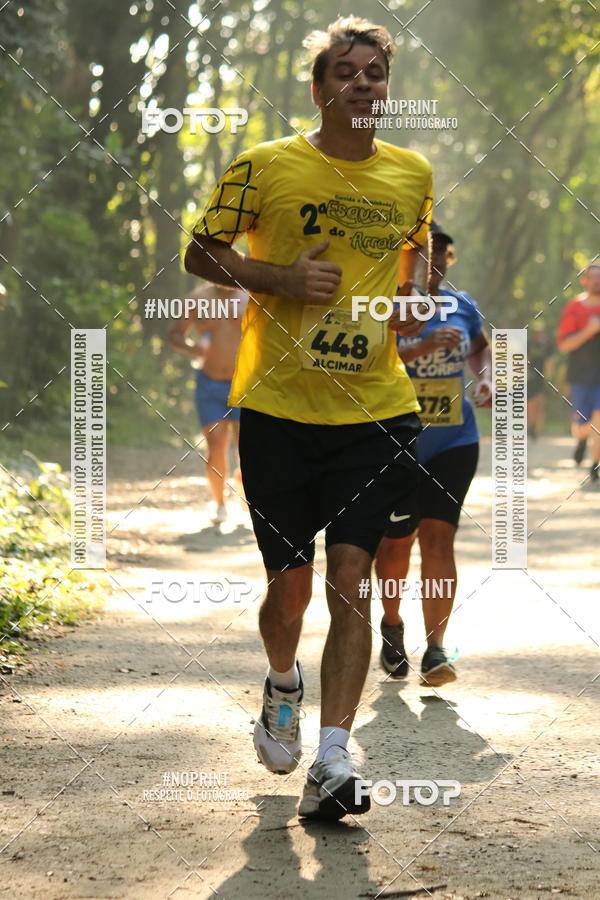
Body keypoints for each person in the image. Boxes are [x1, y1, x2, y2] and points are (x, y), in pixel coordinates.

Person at [184, 15, 432, 820]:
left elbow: (416, 245)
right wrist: (280, 278)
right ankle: (282, 683)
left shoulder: (412, 173)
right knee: (288, 590)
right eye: (346, 72)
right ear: (319, 87)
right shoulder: (264, 166)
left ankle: (331, 758)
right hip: (280, 408)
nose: (364, 84)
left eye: (376, 73)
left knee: (349, 578)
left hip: (377, 410)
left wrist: (411, 293)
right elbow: (200, 251)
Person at [375, 225, 492, 687]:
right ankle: (392, 625)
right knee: (395, 544)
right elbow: (370, 362)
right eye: (425, 254)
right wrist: (423, 345)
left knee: (439, 540)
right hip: (397, 440)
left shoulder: (463, 305)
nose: (434, 262)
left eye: (441, 254)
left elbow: (480, 350)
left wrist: (485, 378)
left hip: (454, 439)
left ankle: (436, 648)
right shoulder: (384, 303)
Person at [169, 284, 247, 523]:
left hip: (244, 384)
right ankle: (220, 504)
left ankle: (243, 483)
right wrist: (193, 349)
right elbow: (175, 334)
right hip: (209, 383)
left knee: (246, 447)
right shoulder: (197, 298)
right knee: (216, 444)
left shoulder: (251, 297)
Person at [557, 263, 600, 484]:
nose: (597, 281)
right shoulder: (575, 307)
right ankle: (582, 439)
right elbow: (564, 345)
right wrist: (589, 330)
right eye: (593, 277)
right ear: (585, 280)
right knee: (584, 426)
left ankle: (595, 465)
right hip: (581, 375)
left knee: (599, 418)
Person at [527, 322, 555, 440]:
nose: (538, 335)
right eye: (536, 332)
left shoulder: (547, 345)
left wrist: (549, 377)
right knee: (530, 403)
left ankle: (537, 430)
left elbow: (551, 361)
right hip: (529, 377)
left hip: (542, 378)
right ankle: (530, 426)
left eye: (540, 332)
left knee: (540, 404)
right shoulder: (528, 344)